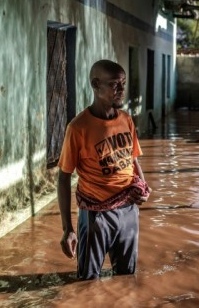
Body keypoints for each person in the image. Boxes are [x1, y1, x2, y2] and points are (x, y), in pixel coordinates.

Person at [57, 59, 151, 279]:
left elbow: (133, 159)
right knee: (87, 280)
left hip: (128, 209)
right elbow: (63, 177)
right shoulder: (78, 128)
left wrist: (143, 187)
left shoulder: (126, 120)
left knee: (127, 276)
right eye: (114, 84)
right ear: (96, 84)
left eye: (123, 84)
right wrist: (67, 228)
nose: (121, 90)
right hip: (95, 214)